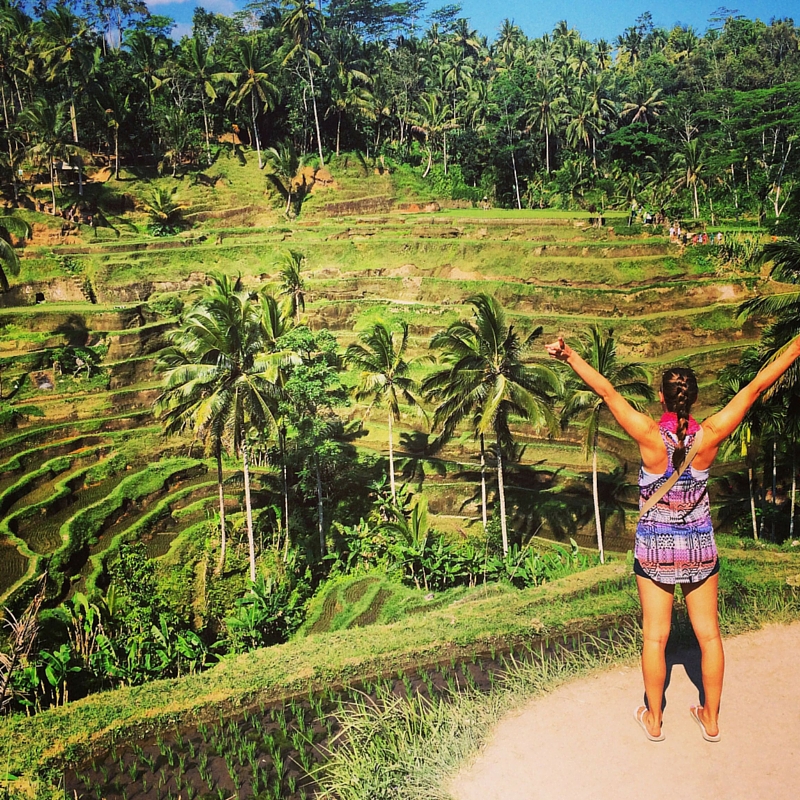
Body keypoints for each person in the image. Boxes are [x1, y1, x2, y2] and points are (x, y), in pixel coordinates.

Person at [545, 334, 800, 743]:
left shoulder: (648, 434)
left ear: (662, 400)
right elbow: (755, 388)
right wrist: (795, 349)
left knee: (655, 636)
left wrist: (570, 354)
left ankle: (655, 721)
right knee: (710, 634)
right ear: (693, 400)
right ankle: (711, 720)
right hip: (699, 547)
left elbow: (607, 391)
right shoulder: (712, 433)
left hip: (655, 549)